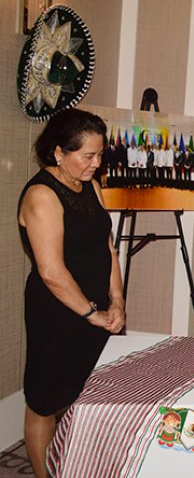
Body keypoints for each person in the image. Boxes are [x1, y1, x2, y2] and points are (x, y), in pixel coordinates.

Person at [17, 108, 126, 478]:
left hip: (94, 309)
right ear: (59, 152)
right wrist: (91, 313)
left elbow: (107, 248)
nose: (97, 163)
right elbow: (51, 272)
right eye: (88, 156)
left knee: (84, 395)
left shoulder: (90, 185)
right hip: (57, 313)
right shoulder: (41, 195)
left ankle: (77, 466)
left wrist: (117, 300)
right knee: (45, 402)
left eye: (100, 154)